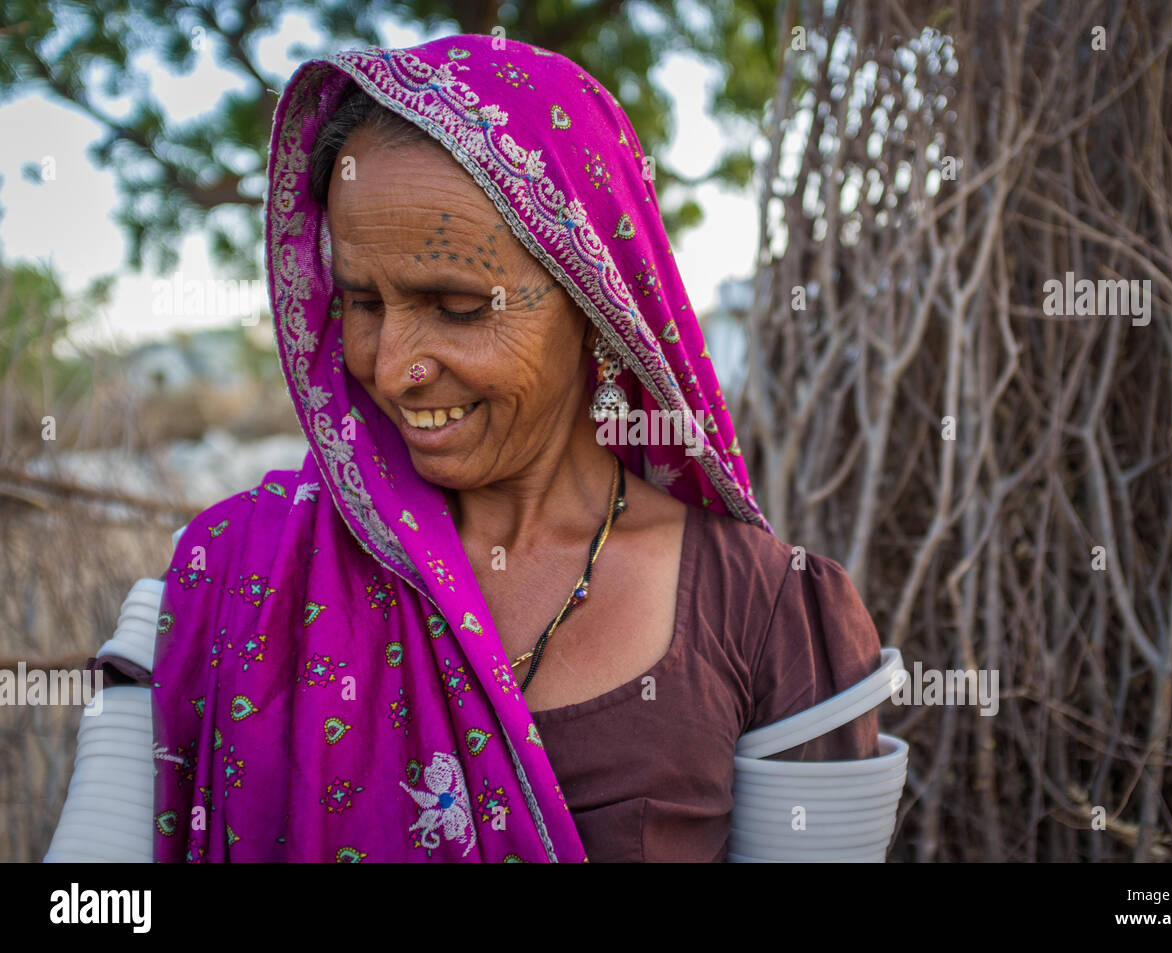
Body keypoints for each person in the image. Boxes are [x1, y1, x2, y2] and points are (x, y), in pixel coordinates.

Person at [104, 34, 882, 862]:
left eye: (458, 306)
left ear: (599, 304)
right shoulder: (228, 581)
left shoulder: (764, 613)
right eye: (362, 302)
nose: (393, 367)